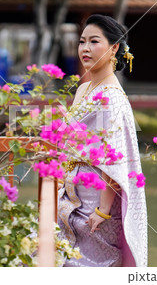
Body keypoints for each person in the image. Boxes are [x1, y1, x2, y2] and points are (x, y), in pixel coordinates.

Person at [58, 14, 147, 267]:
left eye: (94, 41)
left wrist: (103, 211)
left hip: (95, 201)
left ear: (114, 47)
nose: (85, 48)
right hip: (71, 190)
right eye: (82, 41)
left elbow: (113, 157)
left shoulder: (112, 98)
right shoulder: (84, 88)